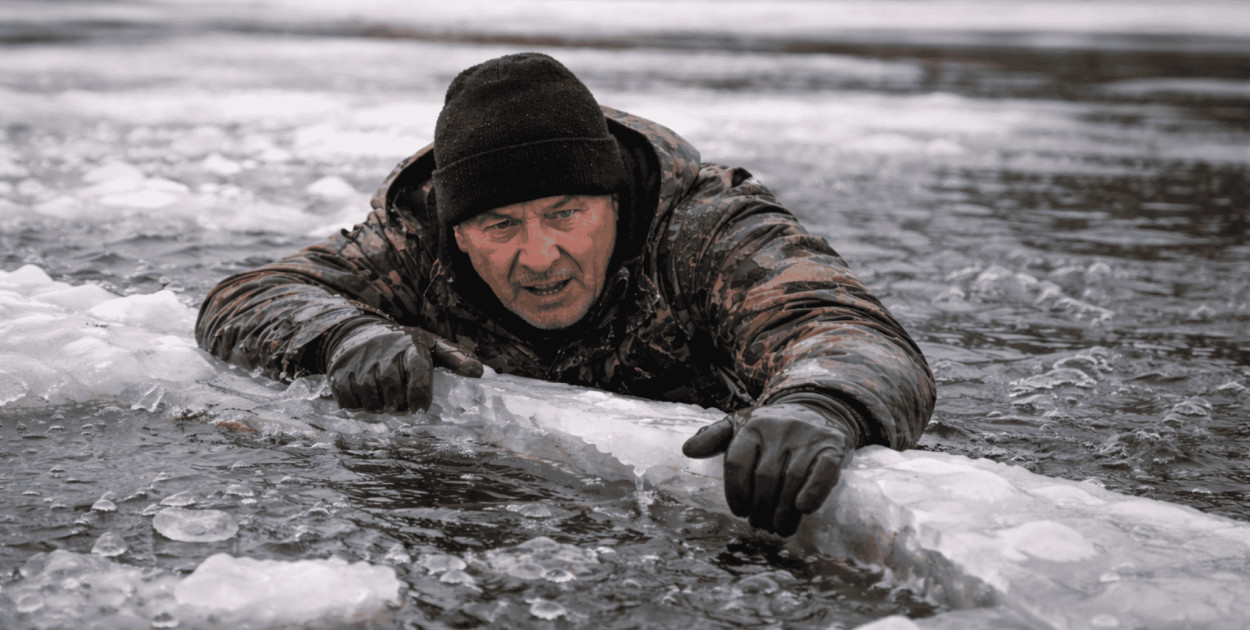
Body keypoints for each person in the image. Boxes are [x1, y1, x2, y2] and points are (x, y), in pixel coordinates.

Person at [196, 53, 935, 537]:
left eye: (566, 213)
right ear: (459, 232)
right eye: (500, 225)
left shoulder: (706, 227)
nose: (539, 255)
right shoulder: (415, 238)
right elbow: (247, 296)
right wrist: (345, 336)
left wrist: (820, 404)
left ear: (613, 202)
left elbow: (848, 330)